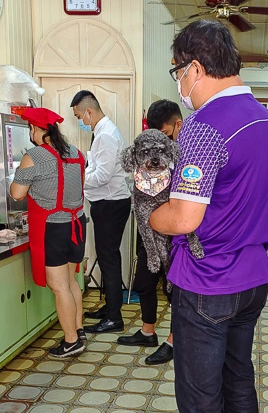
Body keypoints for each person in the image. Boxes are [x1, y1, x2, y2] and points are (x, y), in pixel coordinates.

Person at [147, 20, 268, 413]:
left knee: (201, 402)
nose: (178, 85)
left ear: (196, 69)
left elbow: (184, 219)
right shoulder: (265, 121)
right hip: (252, 278)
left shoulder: (205, 128)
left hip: (207, 282)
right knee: (238, 383)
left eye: (179, 73)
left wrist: (154, 211)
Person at [10, 107, 86, 358]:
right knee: (70, 281)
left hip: (53, 227)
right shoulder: (75, 153)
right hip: (77, 223)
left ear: (35, 129)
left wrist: (21, 178)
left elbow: (17, 193)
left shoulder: (35, 156)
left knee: (58, 286)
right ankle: (78, 330)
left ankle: (71, 341)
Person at [117, 99, 183, 365]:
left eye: (166, 135)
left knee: (174, 289)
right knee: (144, 281)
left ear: (177, 124)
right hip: (148, 229)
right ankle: (148, 331)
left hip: (174, 232)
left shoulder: (184, 151)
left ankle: (174, 340)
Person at [71, 90, 131, 334]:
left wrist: (77, 179)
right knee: (107, 258)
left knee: (109, 259)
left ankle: (114, 318)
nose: (80, 122)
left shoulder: (106, 135)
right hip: (107, 202)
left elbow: (102, 176)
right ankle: (109, 308)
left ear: (89, 111)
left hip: (110, 204)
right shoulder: (102, 133)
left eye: (79, 116)